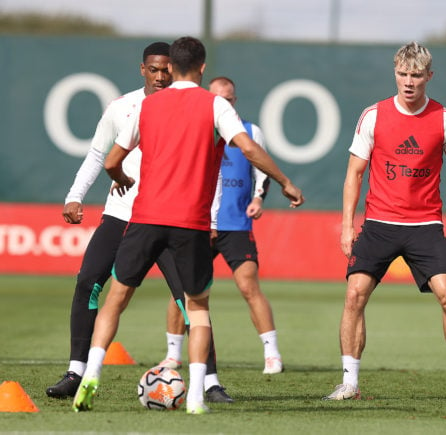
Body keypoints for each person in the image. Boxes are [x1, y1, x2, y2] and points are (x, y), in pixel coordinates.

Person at [71, 36, 303, 414]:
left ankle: (91, 374)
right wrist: (284, 181)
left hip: (144, 218)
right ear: (202, 68)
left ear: (170, 67)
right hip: (190, 224)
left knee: (116, 298)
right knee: (196, 308)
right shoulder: (214, 105)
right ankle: (196, 396)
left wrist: (123, 178)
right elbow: (246, 147)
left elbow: (113, 159)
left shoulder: (147, 106)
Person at [324, 41, 446, 403]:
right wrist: (346, 225)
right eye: (403, 73)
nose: (409, 81)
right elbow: (354, 173)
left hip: (425, 225)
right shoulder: (374, 115)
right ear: (395, 73)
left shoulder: (444, 119)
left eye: (416, 75)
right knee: (354, 295)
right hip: (379, 223)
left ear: (429, 76)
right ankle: (349, 382)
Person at [47, 42, 179, 399]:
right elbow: (97, 154)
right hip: (121, 215)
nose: (161, 75)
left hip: (168, 218)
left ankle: (209, 382)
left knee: (190, 298)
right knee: (88, 282)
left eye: (167, 69)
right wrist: (75, 195)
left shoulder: (188, 108)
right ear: (143, 70)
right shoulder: (122, 107)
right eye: (154, 69)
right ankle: (76, 372)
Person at [160, 76, 284, 378]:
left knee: (248, 285)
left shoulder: (250, 132)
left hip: (235, 224)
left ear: (234, 101)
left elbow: (261, 171)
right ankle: (173, 355)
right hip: (198, 223)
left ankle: (271, 353)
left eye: (228, 98)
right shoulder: (195, 130)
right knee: (184, 290)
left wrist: (258, 198)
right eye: (218, 98)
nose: (223, 103)